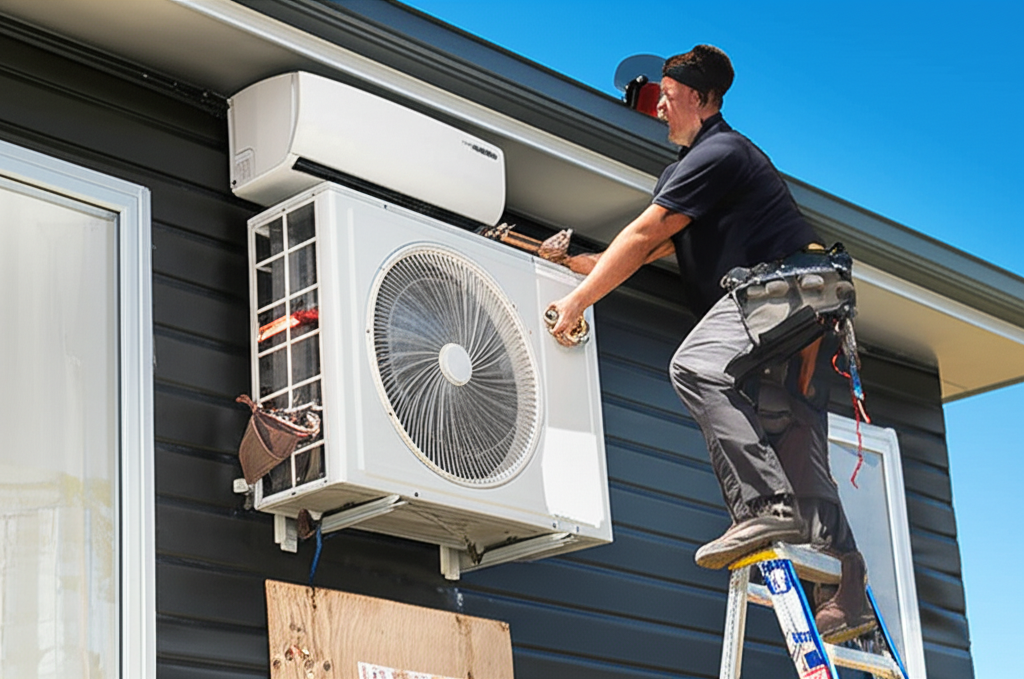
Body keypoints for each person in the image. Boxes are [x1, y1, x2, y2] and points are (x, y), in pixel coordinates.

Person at [546, 44, 874, 642]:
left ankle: (765, 509)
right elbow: (649, 249)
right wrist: (574, 267)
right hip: (808, 310)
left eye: (667, 97)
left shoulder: (720, 151)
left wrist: (577, 303)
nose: (658, 108)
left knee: (696, 367)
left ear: (700, 99)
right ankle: (847, 593)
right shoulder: (700, 170)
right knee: (792, 436)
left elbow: (646, 232)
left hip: (787, 292)